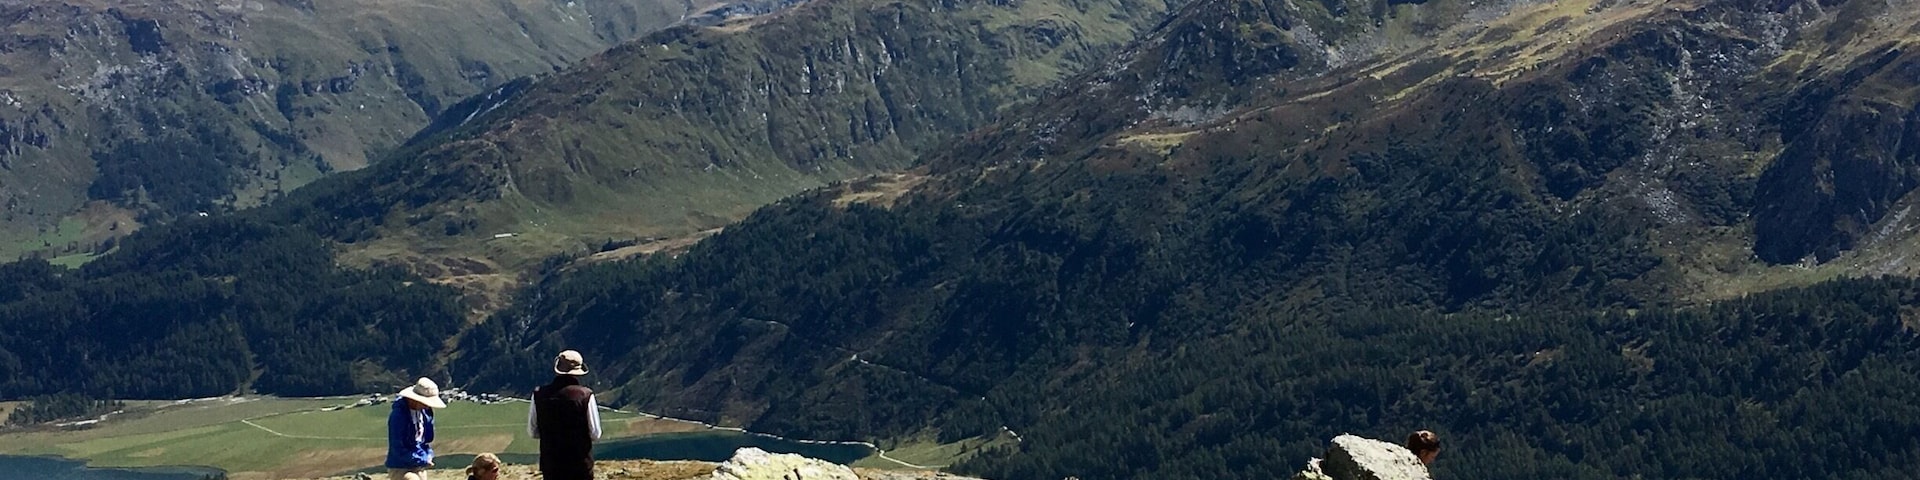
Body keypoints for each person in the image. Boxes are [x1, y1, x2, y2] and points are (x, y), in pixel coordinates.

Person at [528, 350, 602, 480]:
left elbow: (532, 432)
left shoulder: (539, 394)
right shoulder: (585, 395)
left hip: (551, 464)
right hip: (580, 464)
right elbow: (595, 433)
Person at [386, 377, 447, 480]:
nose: (427, 406)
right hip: (400, 466)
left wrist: (427, 455)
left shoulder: (426, 413)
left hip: (419, 465)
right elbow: (398, 448)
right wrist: (421, 459)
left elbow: (426, 440)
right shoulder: (398, 415)